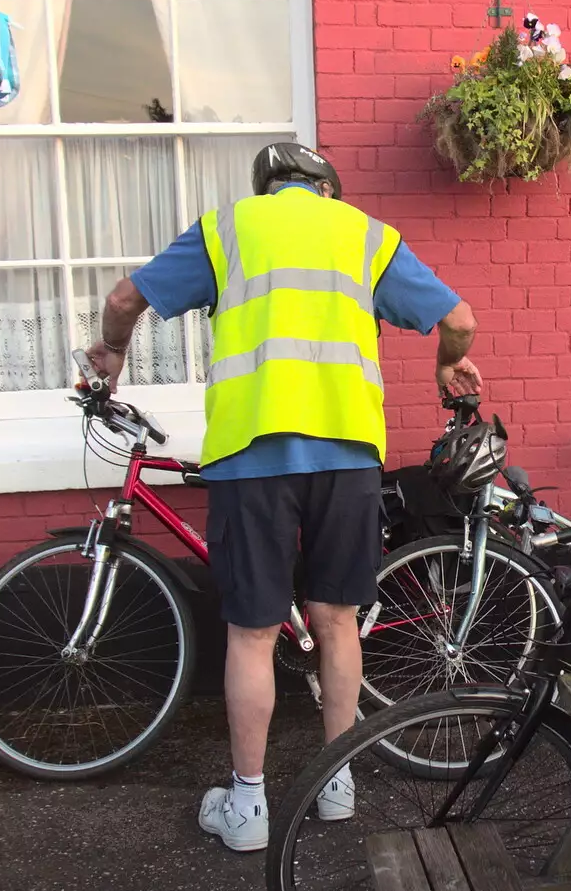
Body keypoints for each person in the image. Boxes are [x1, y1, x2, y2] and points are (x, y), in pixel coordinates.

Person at [84, 142, 480, 853]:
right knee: (337, 619)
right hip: (347, 456)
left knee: (254, 631)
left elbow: (122, 300)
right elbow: (458, 317)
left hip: (251, 458)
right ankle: (338, 785)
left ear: (265, 188)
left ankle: (248, 808)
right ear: (327, 188)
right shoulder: (364, 234)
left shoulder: (228, 229)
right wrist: (449, 363)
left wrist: (110, 352)